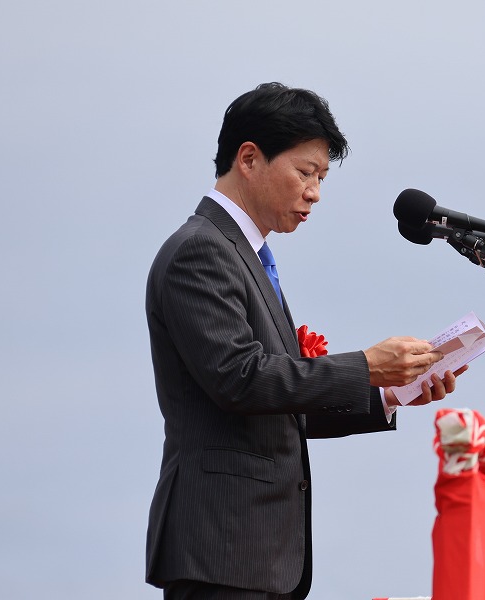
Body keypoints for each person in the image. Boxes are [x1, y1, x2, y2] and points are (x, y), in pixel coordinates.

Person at [144, 82, 465, 600]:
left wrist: (388, 393)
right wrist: (365, 366)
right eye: (305, 172)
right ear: (249, 158)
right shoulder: (200, 251)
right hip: (221, 550)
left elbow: (279, 408)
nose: (315, 192)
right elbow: (240, 379)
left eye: (321, 177)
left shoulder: (247, 256)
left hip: (262, 558)